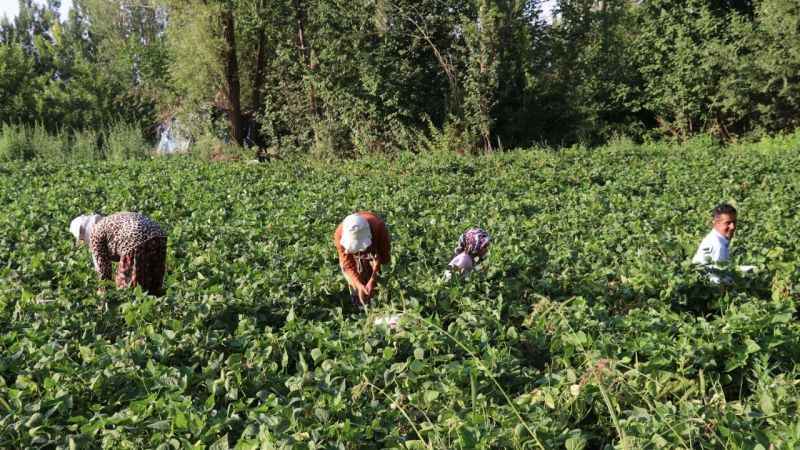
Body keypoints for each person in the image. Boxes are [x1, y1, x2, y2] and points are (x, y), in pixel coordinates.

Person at [70, 212, 167, 295]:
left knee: (127, 290)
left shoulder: (95, 233)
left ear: (83, 234)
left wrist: (102, 292)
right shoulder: (108, 221)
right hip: (159, 234)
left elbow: (103, 270)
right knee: (153, 284)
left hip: (135, 239)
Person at [333, 212, 391, 308]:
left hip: (375, 250)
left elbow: (384, 257)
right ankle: (360, 306)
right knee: (355, 282)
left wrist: (374, 278)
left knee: (382, 281)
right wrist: (358, 285)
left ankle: (383, 303)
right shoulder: (339, 235)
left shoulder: (378, 227)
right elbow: (347, 265)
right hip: (352, 261)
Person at [692, 203, 737, 283]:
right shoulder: (718, 245)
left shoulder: (714, 239)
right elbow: (717, 279)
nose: (732, 227)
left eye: (734, 222)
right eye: (728, 223)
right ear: (716, 223)